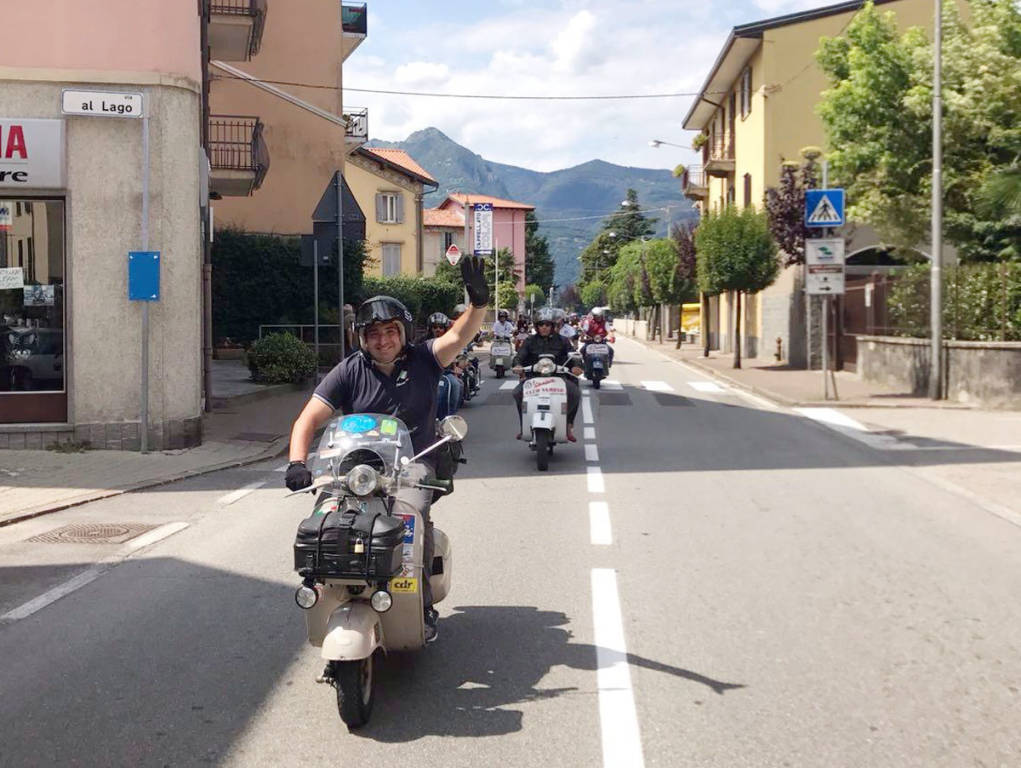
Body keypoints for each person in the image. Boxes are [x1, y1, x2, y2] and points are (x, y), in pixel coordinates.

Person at [285, 257, 489, 643]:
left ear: (403, 332)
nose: (383, 339)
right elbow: (307, 421)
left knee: (410, 522)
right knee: (326, 519)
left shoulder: (426, 359)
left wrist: (478, 305)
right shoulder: (349, 370)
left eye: (390, 331)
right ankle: (326, 591)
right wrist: (298, 462)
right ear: (361, 337)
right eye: (373, 333)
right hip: (355, 471)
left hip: (412, 467)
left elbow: (459, 338)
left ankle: (423, 603)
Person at [511, 307, 583, 442]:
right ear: (537, 326)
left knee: (575, 393)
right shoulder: (530, 341)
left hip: (559, 378)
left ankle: (568, 424)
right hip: (534, 378)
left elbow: (573, 355)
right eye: (541, 324)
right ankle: (524, 426)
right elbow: (519, 355)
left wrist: (577, 366)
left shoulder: (562, 340)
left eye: (547, 324)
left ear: (552, 326)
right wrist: (518, 365)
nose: (544, 327)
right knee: (517, 393)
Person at [428, 313, 463, 418]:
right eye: (435, 327)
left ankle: (450, 417)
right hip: (427, 375)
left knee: (457, 385)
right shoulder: (423, 342)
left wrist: (456, 367)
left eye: (441, 327)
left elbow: (455, 357)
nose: (438, 330)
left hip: (446, 373)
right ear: (430, 329)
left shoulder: (450, 341)